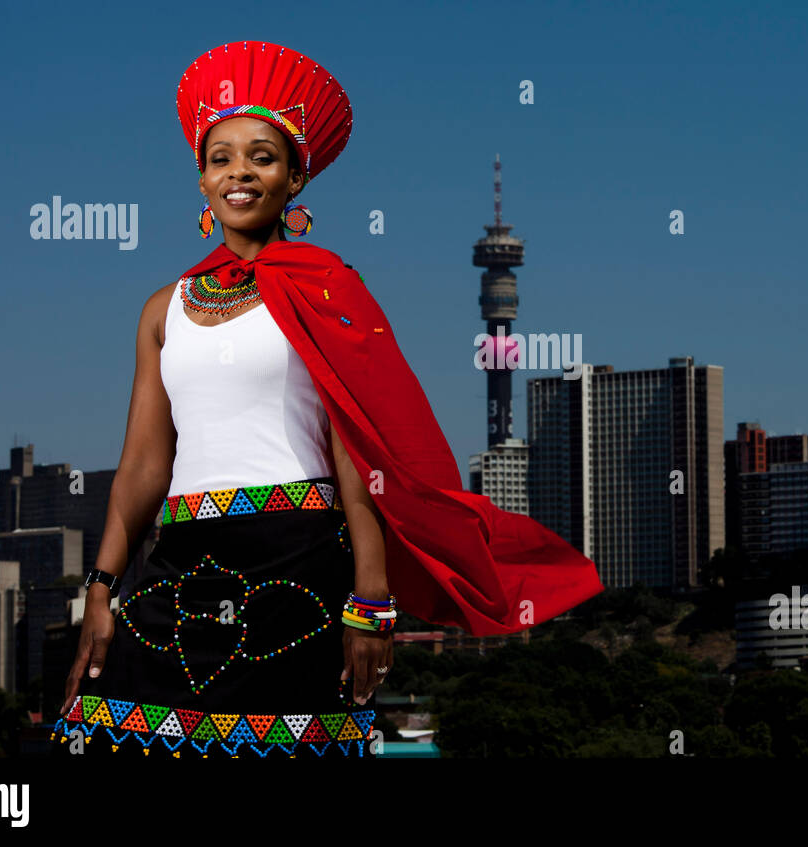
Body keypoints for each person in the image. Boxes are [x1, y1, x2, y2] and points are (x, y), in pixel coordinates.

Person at [51, 41, 603, 760]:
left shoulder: (327, 289)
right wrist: (100, 588)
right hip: (179, 564)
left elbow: (359, 453)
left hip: (301, 561)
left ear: (294, 176)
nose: (239, 173)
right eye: (220, 157)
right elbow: (144, 467)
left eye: (262, 156)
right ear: (201, 178)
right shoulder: (165, 308)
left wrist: (371, 598)